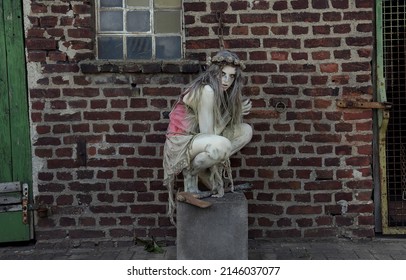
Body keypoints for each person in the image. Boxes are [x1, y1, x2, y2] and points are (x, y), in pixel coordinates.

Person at [163, 50, 253, 218]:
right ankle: (191, 173)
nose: (226, 81)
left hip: (198, 141)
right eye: (222, 75)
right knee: (221, 145)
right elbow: (208, 134)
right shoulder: (207, 90)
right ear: (214, 72)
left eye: (231, 76)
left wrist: (237, 112)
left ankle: (205, 171)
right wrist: (230, 115)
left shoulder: (221, 92)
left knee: (245, 131)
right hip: (182, 142)